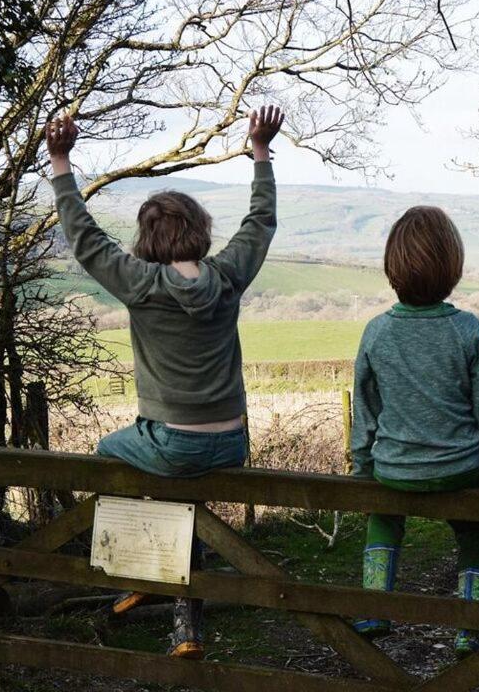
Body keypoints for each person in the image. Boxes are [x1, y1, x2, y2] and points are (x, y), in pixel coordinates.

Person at [45, 105, 284, 659]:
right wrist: (261, 151)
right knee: (184, 502)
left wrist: (61, 161)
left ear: (147, 240)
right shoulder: (227, 278)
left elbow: (83, 237)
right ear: (200, 233)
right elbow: (260, 222)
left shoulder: (140, 283)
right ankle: (185, 625)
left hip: (172, 443)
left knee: (107, 453)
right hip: (231, 441)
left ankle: (142, 571)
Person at [350, 205, 479, 656]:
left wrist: (363, 467)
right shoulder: (467, 330)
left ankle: (375, 605)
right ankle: (471, 628)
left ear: (392, 267)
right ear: (452, 267)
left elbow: (365, 410)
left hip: (395, 469)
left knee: (383, 517)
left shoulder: (376, 332)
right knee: (475, 533)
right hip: (460, 468)